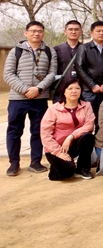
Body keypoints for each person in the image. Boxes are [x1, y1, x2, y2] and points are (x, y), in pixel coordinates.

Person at [4, 21, 58, 176]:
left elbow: (52, 74)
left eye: (40, 31)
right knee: (14, 131)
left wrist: (38, 89)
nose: (36, 34)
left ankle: (35, 162)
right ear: (26, 33)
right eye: (33, 31)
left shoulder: (49, 51)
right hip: (17, 99)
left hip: (40, 99)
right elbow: (8, 74)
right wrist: (26, 90)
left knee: (38, 131)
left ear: (43, 33)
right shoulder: (16, 51)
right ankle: (14, 163)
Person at [41, 80, 95, 181]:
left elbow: (89, 125)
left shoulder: (86, 106)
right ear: (64, 92)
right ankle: (56, 168)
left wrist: (71, 136)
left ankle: (82, 169)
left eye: (77, 88)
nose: (74, 91)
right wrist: (59, 153)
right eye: (70, 88)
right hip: (56, 148)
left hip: (73, 144)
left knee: (88, 137)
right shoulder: (53, 109)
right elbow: (45, 135)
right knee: (68, 172)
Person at [75, 20, 103, 130]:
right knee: (89, 119)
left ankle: (101, 139)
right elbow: (79, 67)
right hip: (89, 91)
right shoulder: (84, 48)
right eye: (98, 31)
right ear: (91, 33)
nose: (101, 33)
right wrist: (92, 85)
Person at [53, 19, 82, 103]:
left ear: (81, 32)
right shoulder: (56, 49)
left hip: (81, 91)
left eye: (76, 29)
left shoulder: (86, 49)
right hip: (61, 91)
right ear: (65, 32)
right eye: (70, 29)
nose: (73, 32)